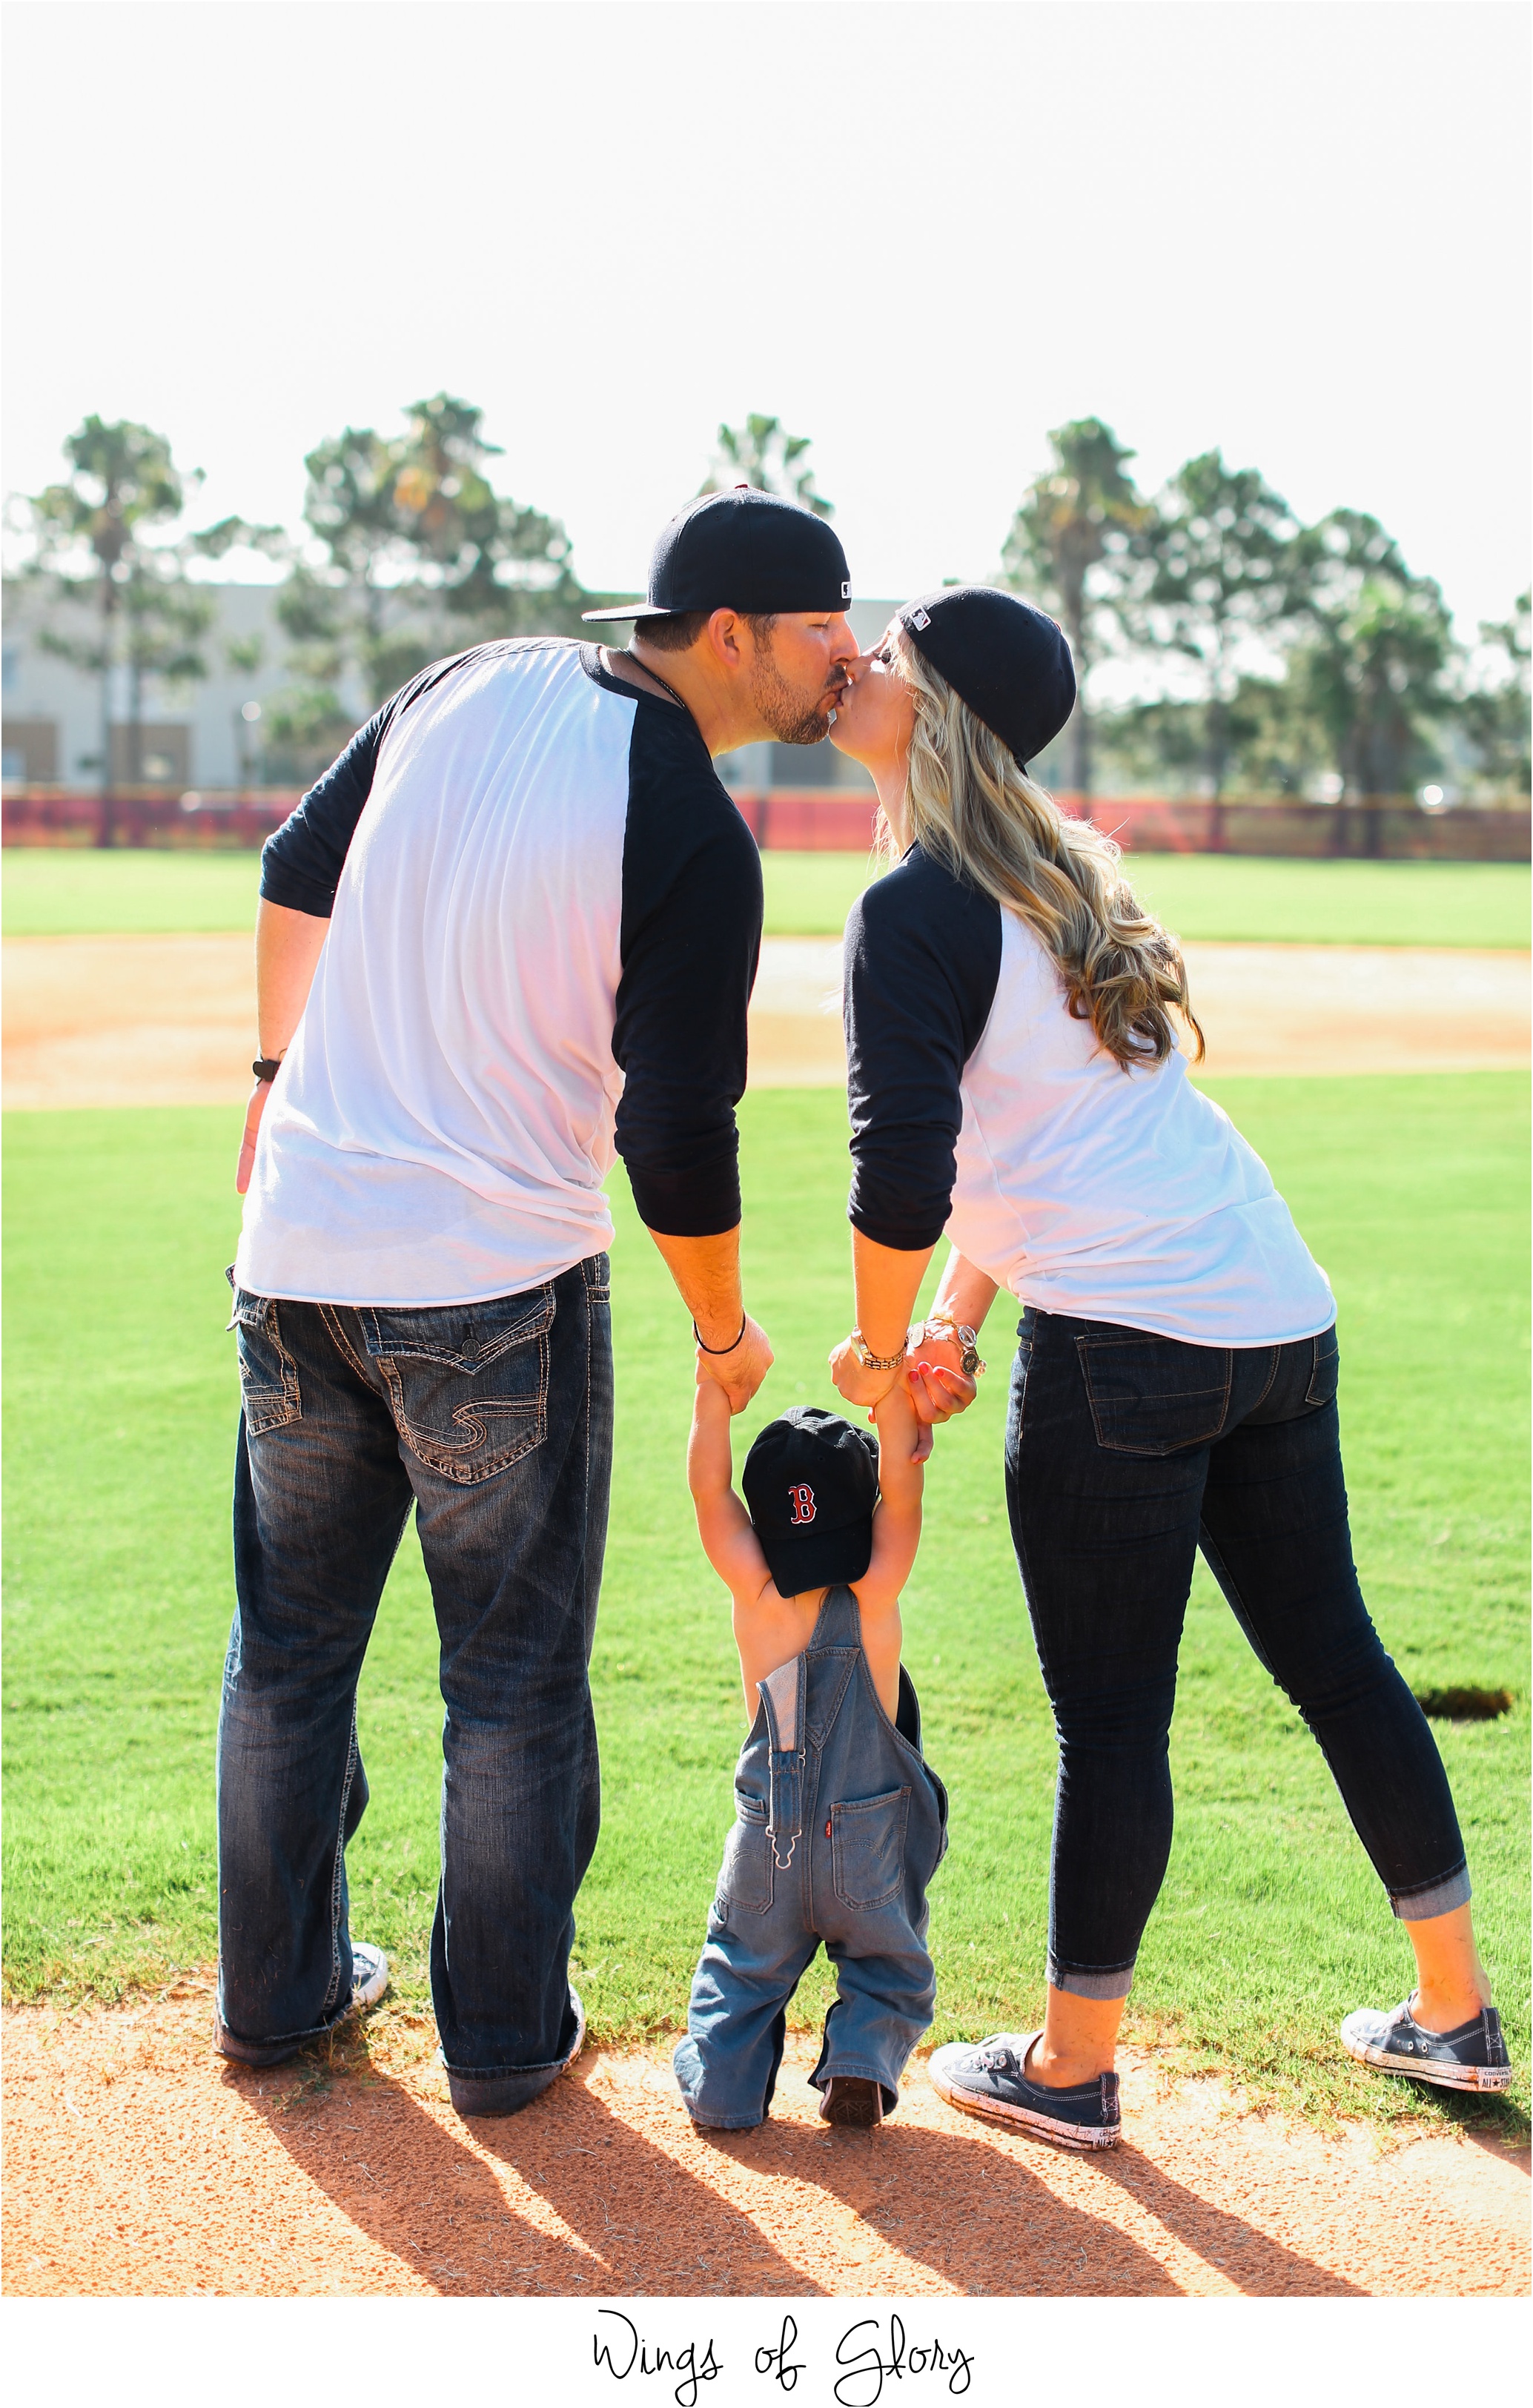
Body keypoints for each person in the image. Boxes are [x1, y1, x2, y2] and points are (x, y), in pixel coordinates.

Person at [824, 586, 1510, 2151]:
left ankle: (1068, 2071)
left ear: (935, 714)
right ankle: (1453, 2010)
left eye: (889, 655)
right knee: (1336, 1664)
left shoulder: (914, 906)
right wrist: (953, 1315)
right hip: (1267, 1314)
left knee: (1111, 1719)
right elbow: (1052, 1137)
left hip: (1123, 1350)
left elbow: (903, 1169)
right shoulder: (1066, 874)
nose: (857, 661)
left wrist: (877, 1345)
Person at [219, 489, 859, 2119]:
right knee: (505, 1675)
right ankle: (503, 2040)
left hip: (297, 1254)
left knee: (288, 1653)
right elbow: (675, 1129)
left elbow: (297, 862)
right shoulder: (696, 827)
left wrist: (277, 1075)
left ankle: (274, 1999)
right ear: (730, 632)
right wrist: (722, 1334)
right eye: (820, 625)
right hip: (492, 1278)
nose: (841, 654)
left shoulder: (468, 676)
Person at [673, 1377, 947, 2130]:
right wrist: (890, 1392)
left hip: (768, 1845)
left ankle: (724, 2089)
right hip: (865, 1845)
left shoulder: (753, 1587)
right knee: (887, 1964)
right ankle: (859, 2061)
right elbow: (904, 1494)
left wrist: (711, 1390)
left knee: (743, 1970)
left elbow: (707, 1491)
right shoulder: (876, 1591)